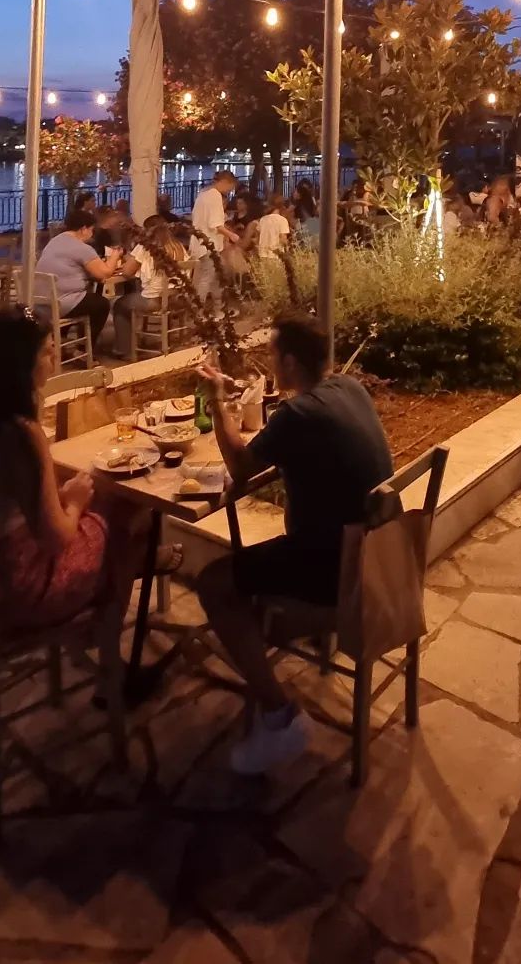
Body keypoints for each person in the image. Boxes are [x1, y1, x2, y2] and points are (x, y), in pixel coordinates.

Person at [196, 311, 394, 774]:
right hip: (380, 556)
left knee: (214, 583)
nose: (270, 361)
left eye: (272, 353)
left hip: (338, 571)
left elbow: (241, 467)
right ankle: (282, 634)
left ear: (287, 361)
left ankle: (280, 717)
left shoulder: (299, 414)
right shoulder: (349, 388)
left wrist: (218, 399)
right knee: (261, 567)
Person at [0, 307, 143, 631]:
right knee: (127, 513)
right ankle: (106, 637)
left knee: (105, 508)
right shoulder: (21, 434)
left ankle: (140, 563)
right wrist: (74, 503)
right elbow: (57, 537)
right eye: (47, 351)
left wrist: (63, 497)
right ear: (20, 365)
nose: (54, 358)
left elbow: (13, 505)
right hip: (21, 591)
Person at [35, 206, 123, 346]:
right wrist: (115, 255)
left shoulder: (54, 241)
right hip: (61, 303)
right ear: (84, 229)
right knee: (101, 304)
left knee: (87, 299)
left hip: (41, 302)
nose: (92, 234)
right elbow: (104, 273)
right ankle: (85, 347)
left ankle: (60, 341)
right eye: (91, 230)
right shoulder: (82, 248)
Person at [111, 216, 188, 357]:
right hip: (178, 299)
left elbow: (127, 272)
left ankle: (124, 350)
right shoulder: (178, 246)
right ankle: (141, 340)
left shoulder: (146, 246)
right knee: (132, 299)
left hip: (155, 301)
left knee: (119, 304)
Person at [190, 169, 237, 298]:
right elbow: (215, 224)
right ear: (225, 182)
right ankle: (198, 307)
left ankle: (218, 306)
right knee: (207, 278)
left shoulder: (203, 194)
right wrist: (231, 235)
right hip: (209, 244)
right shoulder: (215, 196)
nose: (229, 191)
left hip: (198, 243)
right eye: (230, 188)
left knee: (215, 276)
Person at [289, 181, 320, 248]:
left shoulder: (297, 207)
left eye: (295, 191)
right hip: (316, 238)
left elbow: (295, 223)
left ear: (299, 195)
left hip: (307, 241)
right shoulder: (311, 204)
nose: (293, 193)